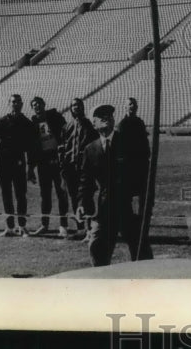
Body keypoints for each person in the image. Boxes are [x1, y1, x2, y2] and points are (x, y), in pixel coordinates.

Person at [78, 104, 154, 266]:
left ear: (114, 119)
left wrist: (143, 206)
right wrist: (82, 204)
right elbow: (86, 181)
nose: (106, 118)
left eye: (109, 115)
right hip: (105, 210)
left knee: (142, 251)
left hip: (127, 208)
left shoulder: (128, 143)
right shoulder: (90, 150)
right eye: (100, 116)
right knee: (98, 250)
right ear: (94, 124)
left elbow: (143, 175)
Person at [0, 93, 36, 237]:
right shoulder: (2, 121)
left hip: (19, 163)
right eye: (13, 102)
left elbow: (31, 148)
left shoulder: (27, 123)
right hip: (3, 163)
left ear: (22, 104)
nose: (15, 104)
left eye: (18, 102)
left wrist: (30, 168)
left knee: (21, 195)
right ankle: (9, 227)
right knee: (6, 195)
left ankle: (22, 226)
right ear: (8, 104)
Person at [29, 97, 70, 237]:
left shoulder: (55, 117)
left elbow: (66, 134)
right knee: (44, 194)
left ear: (44, 105)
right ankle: (44, 224)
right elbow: (32, 148)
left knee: (61, 193)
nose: (37, 107)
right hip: (43, 162)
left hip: (58, 160)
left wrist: (63, 151)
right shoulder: (33, 123)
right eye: (34, 105)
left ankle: (63, 225)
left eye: (39, 104)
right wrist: (31, 167)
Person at [60, 97, 98, 239]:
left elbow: (95, 146)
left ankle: (91, 229)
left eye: (78, 105)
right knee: (74, 198)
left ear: (82, 107)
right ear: (71, 108)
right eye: (73, 105)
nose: (76, 107)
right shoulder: (67, 126)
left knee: (87, 197)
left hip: (85, 168)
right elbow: (63, 146)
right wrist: (63, 164)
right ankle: (81, 228)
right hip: (70, 168)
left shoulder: (89, 126)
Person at [115, 97, 151, 220]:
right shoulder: (122, 124)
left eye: (134, 104)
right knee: (127, 194)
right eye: (129, 104)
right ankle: (128, 220)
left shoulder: (140, 122)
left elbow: (144, 142)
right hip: (128, 165)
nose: (132, 106)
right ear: (125, 107)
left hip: (141, 164)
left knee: (143, 193)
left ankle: (143, 218)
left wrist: (147, 156)